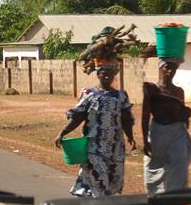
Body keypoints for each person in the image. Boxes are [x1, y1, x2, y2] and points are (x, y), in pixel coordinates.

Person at [55, 63, 136, 197]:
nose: (107, 76)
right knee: (97, 176)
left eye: (110, 74)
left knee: (112, 177)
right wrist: (62, 132)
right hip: (95, 144)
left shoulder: (121, 95)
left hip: (115, 146)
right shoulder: (89, 94)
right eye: (104, 73)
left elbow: (126, 118)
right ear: (98, 74)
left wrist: (130, 137)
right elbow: (78, 116)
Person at [142, 58, 191, 205]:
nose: (170, 71)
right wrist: (145, 140)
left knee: (179, 170)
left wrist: (184, 132)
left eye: (173, 68)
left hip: (177, 133)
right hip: (157, 133)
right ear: (160, 68)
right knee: (157, 170)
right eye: (166, 67)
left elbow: (184, 115)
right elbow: (145, 116)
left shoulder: (179, 91)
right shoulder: (152, 90)